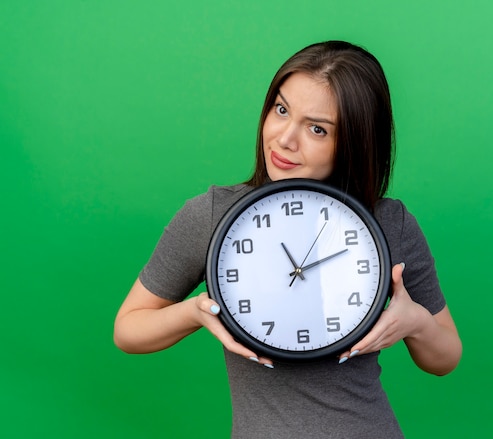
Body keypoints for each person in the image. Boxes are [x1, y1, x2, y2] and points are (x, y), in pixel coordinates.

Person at [114, 40, 462, 438]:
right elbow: (128, 329)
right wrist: (197, 312)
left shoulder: (389, 224)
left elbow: (445, 357)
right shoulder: (213, 217)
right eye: (281, 110)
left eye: (317, 128)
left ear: (354, 141)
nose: (285, 139)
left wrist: (415, 322)